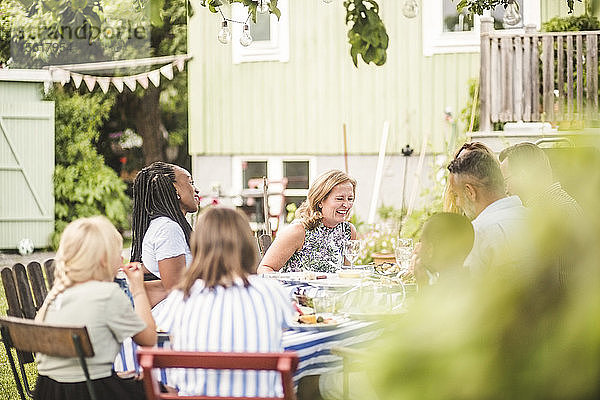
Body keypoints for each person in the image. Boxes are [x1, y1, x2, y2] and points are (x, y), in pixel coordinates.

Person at [154, 207, 294, 398]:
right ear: (247, 244)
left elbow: (172, 343)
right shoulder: (272, 291)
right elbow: (282, 332)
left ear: (198, 247)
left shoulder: (181, 297)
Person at [34, 216, 156, 400]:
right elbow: (149, 338)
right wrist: (138, 290)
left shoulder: (55, 296)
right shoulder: (108, 294)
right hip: (93, 392)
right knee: (161, 388)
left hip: (48, 391)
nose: (122, 258)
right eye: (117, 253)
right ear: (103, 260)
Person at [446, 142, 529, 272]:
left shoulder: (478, 232)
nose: (457, 203)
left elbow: (466, 289)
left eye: (456, 195)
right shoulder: (536, 218)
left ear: (470, 192)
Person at [258, 170, 357, 274]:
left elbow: (347, 273)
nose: (346, 205)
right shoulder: (298, 231)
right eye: (340, 199)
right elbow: (264, 269)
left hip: (335, 290)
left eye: (350, 199)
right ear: (320, 201)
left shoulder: (348, 231)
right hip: (298, 290)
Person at [130, 162, 200, 309]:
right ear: (175, 189)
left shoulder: (164, 226)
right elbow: (176, 289)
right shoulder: (168, 229)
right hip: (173, 319)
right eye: (190, 183)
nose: (196, 190)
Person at [498, 142, 583, 217]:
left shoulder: (550, 212)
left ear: (523, 176)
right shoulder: (556, 202)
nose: (506, 191)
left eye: (506, 181)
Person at [411, 212, 474, 287]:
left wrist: (422, 285)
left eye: (421, 242)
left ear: (430, 250)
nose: (416, 250)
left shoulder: (442, 292)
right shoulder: (470, 283)